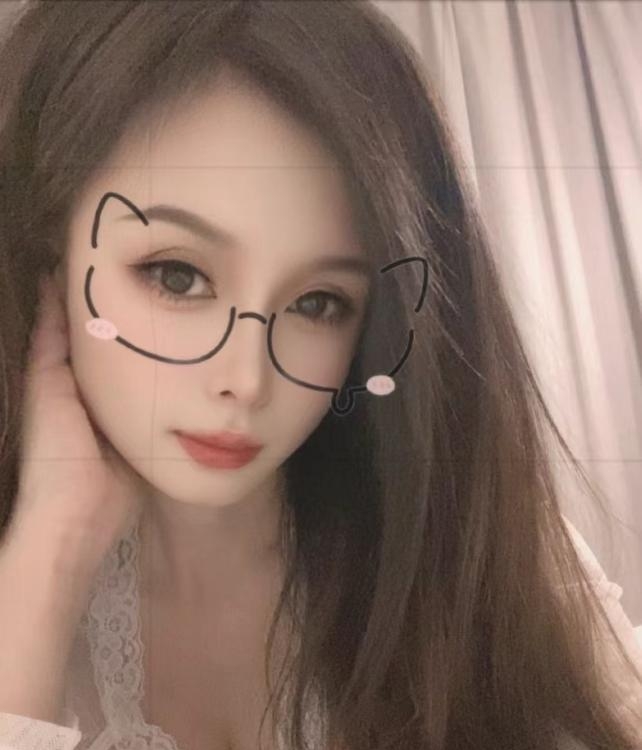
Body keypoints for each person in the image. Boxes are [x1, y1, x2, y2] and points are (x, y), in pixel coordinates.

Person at [0, 2, 640, 749]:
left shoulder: (466, 552)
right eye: (177, 276)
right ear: (46, 255)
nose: (247, 379)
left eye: (317, 303)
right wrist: (50, 553)